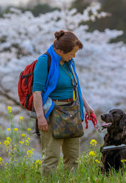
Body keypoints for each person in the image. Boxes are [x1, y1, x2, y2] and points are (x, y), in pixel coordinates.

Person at [33, 30, 94, 177]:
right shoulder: (44, 61)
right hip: (52, 114)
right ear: (60, 50)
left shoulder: (69, 62)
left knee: (73, 157)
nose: (74, 56)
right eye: (72, 53)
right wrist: (40, 117)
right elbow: (37, 92)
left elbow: (76, 86)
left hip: (73, 111)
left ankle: (71, 180)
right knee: (51, 156)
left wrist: (86, 106)